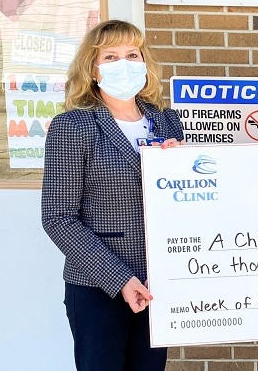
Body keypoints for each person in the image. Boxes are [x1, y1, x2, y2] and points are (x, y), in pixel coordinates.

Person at [41, 19, 184, 371]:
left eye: (132, 54)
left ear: (145, 64)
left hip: (158, 282)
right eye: (111, 56)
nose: (124, 64)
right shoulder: (73, 126)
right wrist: (119, 279)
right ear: (93, 69)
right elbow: (57, 217)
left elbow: (187, 202)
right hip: (98, 287)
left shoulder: (168, 123)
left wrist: (183, 166)